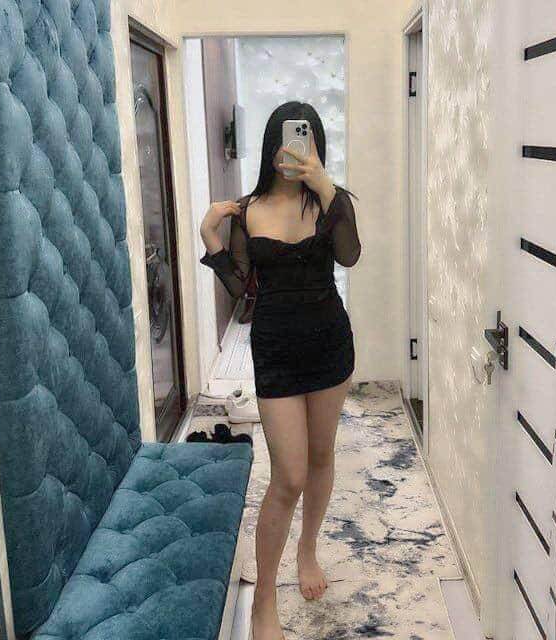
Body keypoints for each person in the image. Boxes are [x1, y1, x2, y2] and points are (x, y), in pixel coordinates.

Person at [199, 101, 361, 640]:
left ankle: (307, 550)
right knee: (288, 476)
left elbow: (349, 256)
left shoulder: (332, 203)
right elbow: (243, 290)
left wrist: (327, 186)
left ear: (316, 147)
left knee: (321, 456)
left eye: (307, 141)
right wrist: (211, 238)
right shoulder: (247, 211)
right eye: (290, 140)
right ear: (273, 146)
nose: (295, 150)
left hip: (329, 346)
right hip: (275, 352)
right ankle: (263, 599)